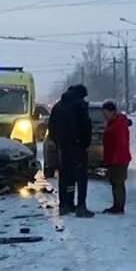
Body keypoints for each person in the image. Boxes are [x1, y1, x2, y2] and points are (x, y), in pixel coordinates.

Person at [48, 84, 94, 218]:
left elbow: (51, 127)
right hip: (78, 146)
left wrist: (58, 142)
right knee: (80, 177)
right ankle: (81, 206)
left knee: (65, 176)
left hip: (63, 147)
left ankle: (65, 204)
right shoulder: (80, 105)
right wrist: (86, 143)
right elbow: (86, 126)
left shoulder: (58, 106)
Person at [100, 100, 131, 214]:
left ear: (112, 112)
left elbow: (120, 144)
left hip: (119, 159)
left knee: (118, 182)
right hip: (114, 158)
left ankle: (119, 206)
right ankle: (117, 205)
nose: (104, 116)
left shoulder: (118, 125)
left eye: (105, 113)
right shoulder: (113, 123)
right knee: (115, 182)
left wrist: (114, 159)